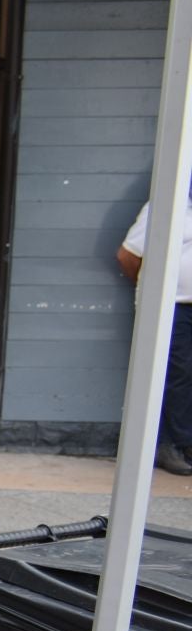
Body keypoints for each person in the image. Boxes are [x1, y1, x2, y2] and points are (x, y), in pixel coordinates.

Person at [117, 194, 192, 476]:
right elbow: (127, 256)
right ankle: (168, 444)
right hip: (171, 307)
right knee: (174, 374)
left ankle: (185, 442)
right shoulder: (165, 205)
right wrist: (155, 292)